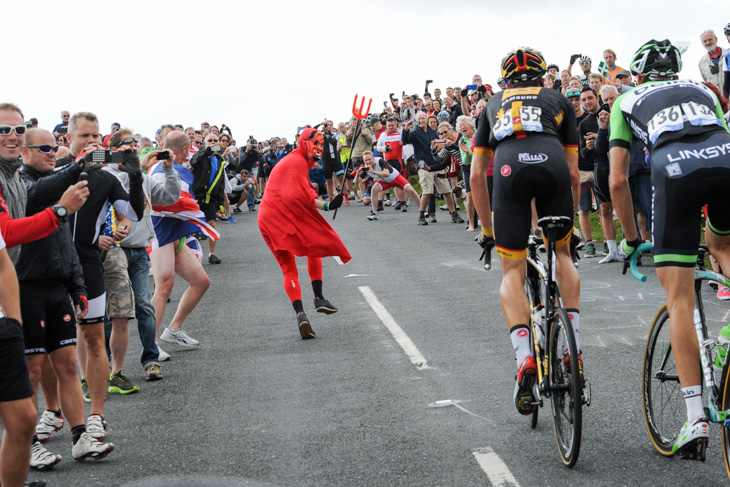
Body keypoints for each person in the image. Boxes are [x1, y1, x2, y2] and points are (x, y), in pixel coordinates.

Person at [609, 39, 730, 458]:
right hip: (725, 157)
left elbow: (617, 181)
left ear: (638, 75)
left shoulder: (625, 99)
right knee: (720, 242)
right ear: (676, 71)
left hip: (674, 169)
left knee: (679, 299)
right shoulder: (703, 90)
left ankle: (695, 416)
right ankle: (729, 330)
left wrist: (631, 239)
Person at [471, 47, 581, 416]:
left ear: (505, 79)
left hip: (506, 171)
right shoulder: (557, 98)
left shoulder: (492, 103)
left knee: (512, 272)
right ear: (541, 77)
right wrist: (573, 227)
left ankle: (524, 361)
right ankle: (572, 350)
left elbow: (474, 177)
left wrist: (487, 229)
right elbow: (572, 173)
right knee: (562, 254)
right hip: (551, 164)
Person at [18, 129, 114, 466]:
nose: (51, 152)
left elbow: (65, 243)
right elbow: (33, 197)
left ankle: (80, 438)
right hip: (26, 286)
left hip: (57, 287)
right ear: (25, 152)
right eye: (44, 148)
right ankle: (26, 444)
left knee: (69, 365)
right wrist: (75, 166)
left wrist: (77, 287)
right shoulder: (19, 182)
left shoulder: (56, 185)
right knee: (30, 370)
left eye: (54, 147)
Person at [60, 111, 145, 442]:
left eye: (97, 137)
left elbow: (134, 214)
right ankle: (52, 411)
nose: (93, 142)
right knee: (54, 345)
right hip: (51, 266)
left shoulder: (107, 179)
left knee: (93, 336)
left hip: (89, 263)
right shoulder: (55, 172)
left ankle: (96, 416)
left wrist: (135, 176)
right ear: (69, 140)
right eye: (85, 136)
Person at [103, 128, 181, 383]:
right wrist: (135, 172)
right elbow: (121, 196)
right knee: (112, 313)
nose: (133, 150)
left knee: (144, 307)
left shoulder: (144, 178)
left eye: (135, 146)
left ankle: (151, 359)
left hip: (138, 251)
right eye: (127, 146)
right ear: (114, 150)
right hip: (113, 252)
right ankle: (102, 365)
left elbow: (169, 197)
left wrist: (169, 169)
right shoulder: (107, 173)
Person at [258, 128, 351, 339]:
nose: (319, 148)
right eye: (315, 142)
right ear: (303, 143)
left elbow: (298, 192)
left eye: (321, 144)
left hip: (266, 218)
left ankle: (301, 314)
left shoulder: (293, 162)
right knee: (313, 244)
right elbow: (299, 196)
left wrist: (327, 204)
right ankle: (318, 298)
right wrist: (326, 205)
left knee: (288, 267)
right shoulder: (296, 162)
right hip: (279, 215)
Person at [149, 131, 213, 361]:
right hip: (159, 232)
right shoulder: (158, 169)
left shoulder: (171, 167)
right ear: (185, 150)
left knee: (201, 282)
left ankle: (173, 330)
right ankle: (152, 344)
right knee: (164, 286)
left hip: (174, 234)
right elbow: (157, 202)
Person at [189, 133, 227, 264]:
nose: (213, 142)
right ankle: (190, 256)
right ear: (205, 142)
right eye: (209, 140)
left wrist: (221, 204)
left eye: (215, 140)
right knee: (191, 228)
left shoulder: (220, 160)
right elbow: (193, 161)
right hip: (196, 197)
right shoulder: (201, 155)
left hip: (210, 198)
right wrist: (206, 151)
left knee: (212, 225)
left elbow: (220, 183)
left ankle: (212, 254)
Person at [361, 151, 421, 221]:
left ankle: (423, 210)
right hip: (385, 181)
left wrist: (374, 172)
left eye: (369, 159)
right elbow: (358, 179)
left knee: (411, 190)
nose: (368, 162)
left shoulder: (380, 161)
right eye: (366, 160)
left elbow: (386, 173)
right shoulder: (366, 168)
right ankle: (374, 213)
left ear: (373, 158)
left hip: (395, 178)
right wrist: (358, 174)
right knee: (374, 189)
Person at [698, 29, 727, 95]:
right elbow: (706, 81)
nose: (708, 43)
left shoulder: (728, 55)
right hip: (718, 102)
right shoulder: (701, 63)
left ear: (716, 39)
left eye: (710, 39)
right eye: (705, 41)